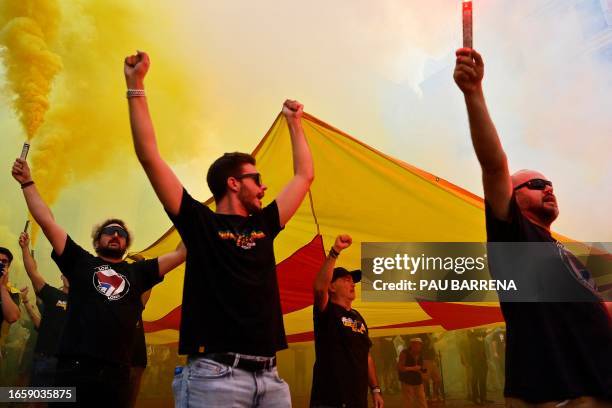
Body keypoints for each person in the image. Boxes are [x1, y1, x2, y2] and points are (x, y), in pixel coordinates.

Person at [124, 50, 314, 407]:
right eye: (256, 179)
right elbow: (149, 155)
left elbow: (304, 176)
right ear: (232, 183)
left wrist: (295, 124)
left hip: (271, 378)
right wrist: (136, 86)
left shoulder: (264, 224)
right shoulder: (200, 223)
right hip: (215, 377)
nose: (264, 187)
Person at [454, 48, 612, 406]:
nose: (548, 188)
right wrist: (474, 93)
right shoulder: (514, 237)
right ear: (512, 196)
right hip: (558, 396)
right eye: (537, 185)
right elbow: (494, 167)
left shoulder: (568, 254)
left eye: (550, 183)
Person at [11, 158, 186, 408]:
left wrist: (196, 216)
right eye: (109, 231)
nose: (116, 235)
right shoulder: (80, 262)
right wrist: (27, 182)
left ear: (126, 244)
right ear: (97, 240)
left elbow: (181, 253)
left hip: (115, 376)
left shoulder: (138, 272)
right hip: (72, 371)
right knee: (32, 397)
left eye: (121, 233)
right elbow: (47, 222)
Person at [310, 234, 384, 408]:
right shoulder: (327, 311)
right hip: (329, 400)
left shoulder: (358, 318)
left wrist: (375, 389)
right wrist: (335, 252)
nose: (353, 284)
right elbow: (319, 289)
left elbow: (366, 355)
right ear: (332, 286)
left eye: (353, 281)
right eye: (346, 280)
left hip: (357, 400)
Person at [19, 231, 69, 387]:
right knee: (37, 401)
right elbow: (33, 273)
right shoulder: (53, 295)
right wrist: (25, 248)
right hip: (45, 359)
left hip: (68, 363)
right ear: (62, 276)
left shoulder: (84, 302)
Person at [397, 337, 426, 408]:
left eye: (419, 344)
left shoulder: (421, 353)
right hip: (407, 381)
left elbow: (421, 367)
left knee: (422, 400)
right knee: (408, 401)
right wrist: (413, 368)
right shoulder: (404, 353)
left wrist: (422, 370)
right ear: (412, 345)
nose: (418, 346)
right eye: (416, 344)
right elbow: (400, 368)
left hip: (418, 381)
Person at [0, 246, 20, 331]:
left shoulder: (13, 292)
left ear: (8, 266)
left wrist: (2, 287)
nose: (0, 263)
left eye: (4, 262)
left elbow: (12, 317)